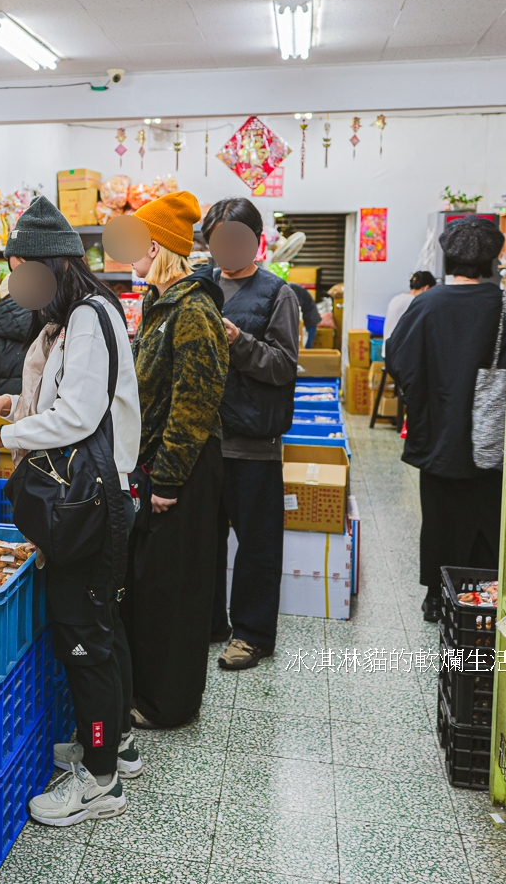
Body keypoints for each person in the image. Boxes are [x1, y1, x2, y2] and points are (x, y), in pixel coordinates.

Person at [0, 196, 141, 827]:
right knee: (101, 627)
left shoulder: (89, 318)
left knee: (84, 637)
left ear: (51, 268)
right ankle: (116, 745)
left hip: (93, 501)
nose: (13, 282)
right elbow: (58, 395)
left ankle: (101, 780)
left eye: (20, 268)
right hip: (88, 496)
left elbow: (79, 416)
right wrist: (6, 405)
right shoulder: (64, 319)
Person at [123, 190, 229, 727]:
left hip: (182, 467)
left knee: (176, 588)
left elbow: (197, 400)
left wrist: (166, 478)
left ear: (160, 245)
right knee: (153, 586)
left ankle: (171, 705)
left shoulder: (193, 308)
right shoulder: (157, 301)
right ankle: (150, 692)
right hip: (155, 461)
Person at [384, 218, 506, 623]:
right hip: (488, 435)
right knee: (486, 519)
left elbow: (397, 360)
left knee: (439, 518)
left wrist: (423, 398)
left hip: (436, 431)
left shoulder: (427, 303)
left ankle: (436, 596)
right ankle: (480, 595)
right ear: (492, 259)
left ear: (447, 256)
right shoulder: (505, 306)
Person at [201, 199, 301, 671]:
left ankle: (252, 634)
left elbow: (283, 366)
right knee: (204, 539)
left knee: (257, 545)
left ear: (256, 239)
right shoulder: (200, 285)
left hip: (253, 442)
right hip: (204, 437)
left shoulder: (277, 294)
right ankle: (210, 623)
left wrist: (239, 341)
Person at [383, 270, 437, 340]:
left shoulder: (398, 298)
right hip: (399, 348)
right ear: (426, 288)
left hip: (388, 347)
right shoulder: (414, 302)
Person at [291, 282, 321, 347]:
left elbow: (297, 305)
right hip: (309, 314)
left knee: (308, 341)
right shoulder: (290, 287)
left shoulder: (292, 288)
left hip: (311, 316)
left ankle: (307, 354)